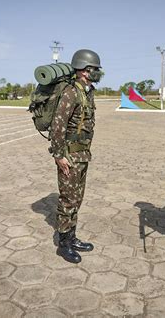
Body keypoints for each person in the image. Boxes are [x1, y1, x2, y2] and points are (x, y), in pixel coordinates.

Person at [50, 49, 103, 263]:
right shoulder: (71, 92)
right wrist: (59, 155)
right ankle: (63, 244)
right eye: (95, 69)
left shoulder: (87, 91)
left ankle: (72, 237)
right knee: (67, 200)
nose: (98, 73)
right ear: (83, 70)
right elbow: (57, 126)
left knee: (77, 199)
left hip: (82, 155)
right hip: (69, 157)